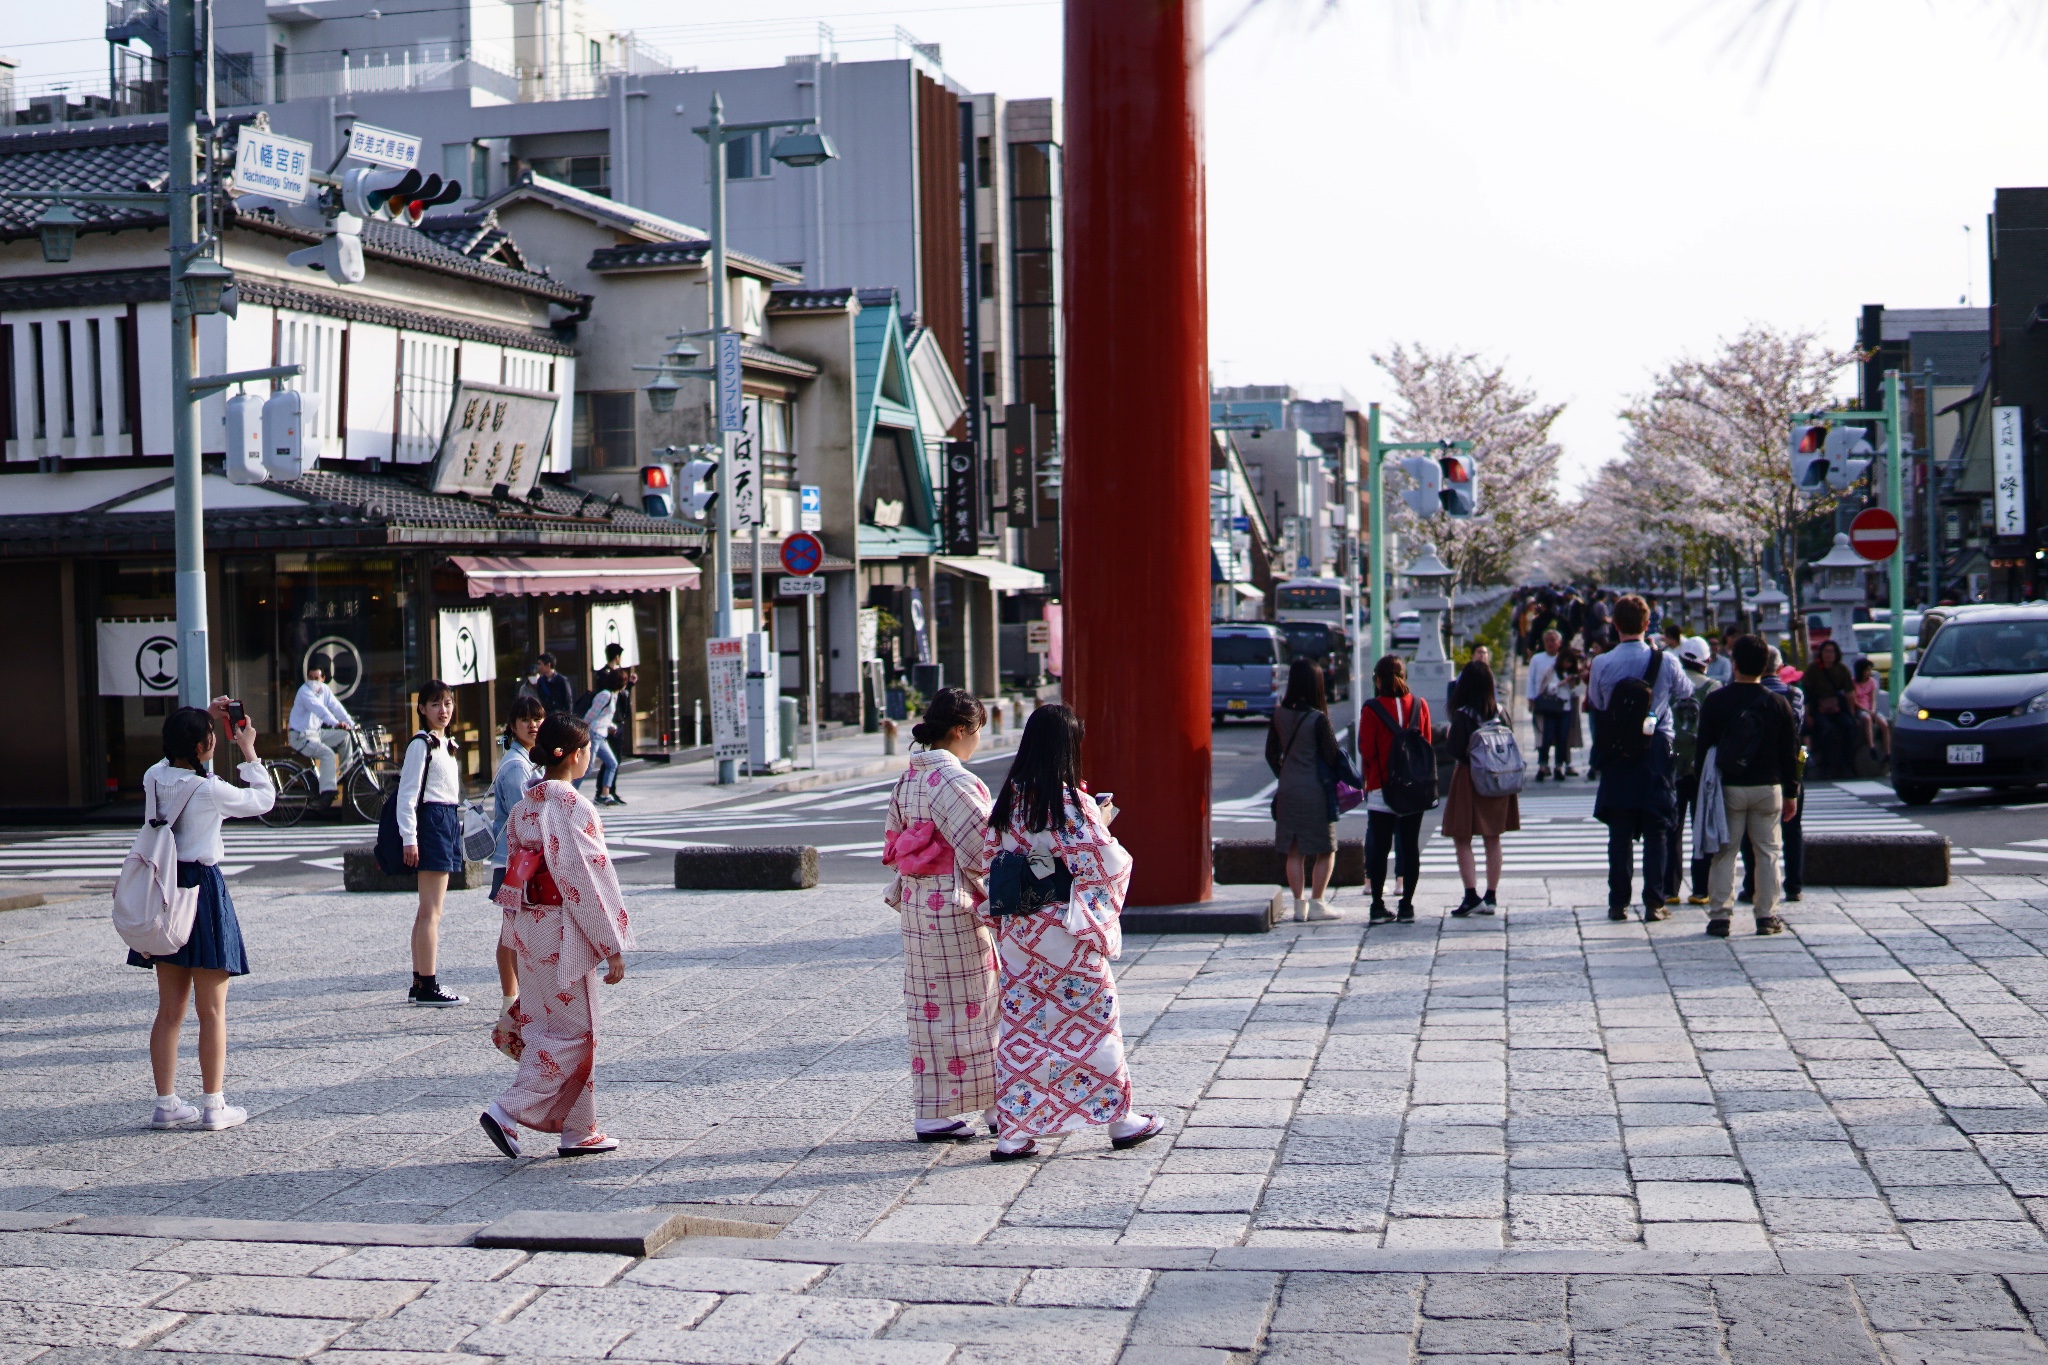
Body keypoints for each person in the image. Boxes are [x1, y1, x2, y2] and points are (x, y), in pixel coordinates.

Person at [984, 704, 1160, 1162]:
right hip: (1066, 929)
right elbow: (1105, 862)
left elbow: (990, 860)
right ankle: (1120, 1121)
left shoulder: (1010, 799)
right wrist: (1100, 822)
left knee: (1024, 1029)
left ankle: (1014, 1132)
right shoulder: (1067, 800)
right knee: (1093, 1021)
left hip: (1022, 932)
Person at [481, 713, 636, 1158]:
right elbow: (587, 879)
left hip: (530, 928)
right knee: (578, 1035)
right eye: (586, 749)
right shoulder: (573, 807)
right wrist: (611, 944)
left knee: (549, 1028)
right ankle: (508, 1110)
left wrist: (512, 935)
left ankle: (579, 1129)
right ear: (574, 755)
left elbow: (514, 876)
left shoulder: (525, 807)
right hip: (563, 933)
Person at [132, 701, 276, 1132]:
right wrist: (250, 752)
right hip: (204, 893)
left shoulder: (153, 777)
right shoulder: (209, 790)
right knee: (211, 1010)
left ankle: (165, 1104)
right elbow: (264, 800)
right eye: (210, 736)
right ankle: (214, 1105)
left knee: (169, 1010)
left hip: (164, 890)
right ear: (202, 746)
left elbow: (171, 756)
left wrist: (202, 715)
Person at [882, 688, 999, 1144]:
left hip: (916, 905)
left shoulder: (909, 778)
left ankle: (932, 1113)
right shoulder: (955, 782)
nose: (977, 743)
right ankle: (996, 1107)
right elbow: (981, 849)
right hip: (954, 908)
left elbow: (894, 842)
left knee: (929, 1011)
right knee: (978, 1006)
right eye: (976, 733)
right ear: (959, 730)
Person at [1588, 594, 1691, 916]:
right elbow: (1686, 692)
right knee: (1657, 828)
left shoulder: (1602, 662)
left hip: (1618, 749)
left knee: (1619, 830)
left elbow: (1598, 702)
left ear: (1614, 625)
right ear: (1648, 624)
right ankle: (1655, 901)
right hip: (1656, 746)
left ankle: (1618, 902)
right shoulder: (1668, 660)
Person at [1699, 635, 1800, 937]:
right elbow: (1790, 752)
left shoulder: (1716, 700)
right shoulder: (1778, 703)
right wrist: (1792, 792)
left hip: (1728, 786)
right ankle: (1767, 916)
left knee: (1725, 852)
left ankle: (1720, 916)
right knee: (1768, 852)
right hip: (1768, 786)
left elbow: (1704, 748)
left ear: (1734, 663)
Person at [1265, 658, 1354, 923]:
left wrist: (1286, 774)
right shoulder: (1318, 719)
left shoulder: (1278, 714)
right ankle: (1317, 903)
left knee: (1295, 851)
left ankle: (1297, 906)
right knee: (1326, 848)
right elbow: (1331, 755)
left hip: (1288, 789)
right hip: (1315, 790)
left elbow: (1271, 754)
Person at [397, 680, 467, 1007]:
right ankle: (428, 984)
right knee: (431, 912)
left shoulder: (446, 744)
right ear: (422, 709)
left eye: (448, 703)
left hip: (446, 819)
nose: (444, 710)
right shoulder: (420, 744)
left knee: (427, 911)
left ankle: (419, 981)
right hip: (432, 823)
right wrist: (409, 838)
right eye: (436, 704)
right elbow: (407, 796)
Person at [490, 694, 548, 1043]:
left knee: (512, 932)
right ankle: (511, 1001)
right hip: (512, 861)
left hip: (515, 861)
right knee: (511, 933)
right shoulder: (515, 767)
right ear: (512, 726)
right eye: (525, 719)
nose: (533, 724)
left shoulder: (525, 761)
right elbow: (523, 815)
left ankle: (513, 1001)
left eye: (537, 718)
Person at [1357, 654, 1431, 924]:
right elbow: (1426, 743)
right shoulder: (1419, 705)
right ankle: (1407, 906)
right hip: (1413, 786)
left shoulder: (1371, 709)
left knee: (1380, 846)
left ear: (1378, 679)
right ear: (1404, 677)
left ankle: (1377, 905)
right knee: (1410, 846)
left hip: (1381, 785)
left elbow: (1366, 749)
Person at [1442, 659, 1519, 916]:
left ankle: (1471, 895)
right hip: (1499, 779)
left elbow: (1454, 749)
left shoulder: (1463, 714)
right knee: (1493, 837)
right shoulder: (1500, 711)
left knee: (1462, 837)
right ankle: (1492, 896)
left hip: (1469, 779)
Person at [1741, 646, 1806, 906]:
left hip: (1755, 767)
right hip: (1789, 768)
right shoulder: (1794, 694)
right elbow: (1799, 727)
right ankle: (1794, 886)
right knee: (1792, 829)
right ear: (1780, 668)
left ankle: (1752, 884)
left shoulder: (1746, 694)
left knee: (1752, 832)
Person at [1667, 638, 1721, 907]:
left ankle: (1669, 889)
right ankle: (1701, 889)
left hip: (1672, 765)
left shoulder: (1671, 685)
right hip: (1703, 769)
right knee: (1702, 830)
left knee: (1671, 830)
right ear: (1706, 661)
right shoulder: (1713, 688)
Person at [288, 664, 355, 809]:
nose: (313, 681)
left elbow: (337, 708)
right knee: (328, 754)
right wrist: (336, 723)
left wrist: (352, 725)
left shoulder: (325, 690)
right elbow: (319, 709)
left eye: (316, 678)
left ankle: (348, 774)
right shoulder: (304, 691)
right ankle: (327, 793)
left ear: (323, 678)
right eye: (310, 678)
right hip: (300, 736)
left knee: (344, 736)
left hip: (315, 733)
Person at [1799, 639, 1857, 777]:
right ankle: (1825, 766)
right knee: (1826, 730)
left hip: (1837, 708)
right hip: (1818, 709)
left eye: (1832, 652)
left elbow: (1850, 693)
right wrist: (1808, 715)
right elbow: (1806, 693)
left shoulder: (1842, 669)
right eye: (1826, 651)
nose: (1829, 655)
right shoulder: (1813, 669)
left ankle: (1847, 764)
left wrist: (1852, 714)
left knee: (1849, 727)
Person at [1526, 629, 1566, 781]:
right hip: (1543, 703)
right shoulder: (1537, 659)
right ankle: (1543, 766)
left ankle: (1559, 766)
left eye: (1553, 640)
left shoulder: (1563, 658)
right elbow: (1531, 679)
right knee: (1544, 736)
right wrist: (1530, 698)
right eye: (1547, 640)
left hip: (1561, 703)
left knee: (1561, 736)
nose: (1550, 643)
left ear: (1559, 643)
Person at [579, 681, 622, 806]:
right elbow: (592, 713)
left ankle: (604, 795)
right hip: (594, 733)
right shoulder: (605, 695)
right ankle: (568, 794)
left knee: (612, 763)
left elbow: (605, 717)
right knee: (587, 767)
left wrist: (611, 726)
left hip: (601, 735)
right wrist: (582, 727)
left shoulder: (613, 695)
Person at [1852, 657, 1888, 760]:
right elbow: (1854, 701)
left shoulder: (1872, 682)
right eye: (1867, 670)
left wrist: (1872, 710)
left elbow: (1873, 699)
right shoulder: (1853, 683)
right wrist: (1867, 711)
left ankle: (1888, 753)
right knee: (1867, 718)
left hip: (1870, 708)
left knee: (1884, 724)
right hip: (1860, 709)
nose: (1869, 672)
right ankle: (1871, 746)